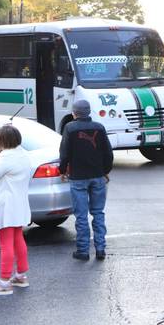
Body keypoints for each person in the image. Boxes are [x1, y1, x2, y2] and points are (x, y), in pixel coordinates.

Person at [60, 100, 114, 261]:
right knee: (98, 213)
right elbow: (108, 154)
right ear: (89, 112)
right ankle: (100, 249)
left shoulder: (69, 128)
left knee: (81, 215)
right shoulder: (99, 127)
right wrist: (105, 171)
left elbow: (64, 153)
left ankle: (83, 251)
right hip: (98, 177)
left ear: (74, 113)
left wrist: (62, 170)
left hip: (78, 178)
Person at [0, 125, 33, 296]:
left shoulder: (6, 157)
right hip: (20, 204)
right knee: (18, 238)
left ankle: (4, 282)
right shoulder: (24, 154)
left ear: (2, 141)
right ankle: (20, 275)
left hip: (6, 205)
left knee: (6, 243)